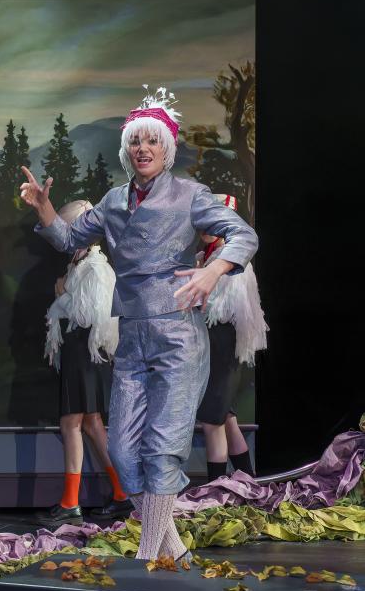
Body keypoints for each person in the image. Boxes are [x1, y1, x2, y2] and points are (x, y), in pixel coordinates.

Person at [20, 85, 258, 561]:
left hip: (178, 336)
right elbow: (68, 239)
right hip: (132, 336)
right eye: (135, 141)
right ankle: (175, 551)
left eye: (151, 141)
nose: (142, 148)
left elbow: (243, 235)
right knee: (125, 453)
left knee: (162, 447)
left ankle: (150, 555)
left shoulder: (190, 195)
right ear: (127, 150)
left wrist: (213, 270)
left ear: (166, 150)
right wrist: (45, 208)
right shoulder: (113, 201)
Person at [36, 200, 132, 527]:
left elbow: (93, 314)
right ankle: (122, 493)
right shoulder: (81, 265)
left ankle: (70, 503)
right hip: (81, 352)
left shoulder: (94, 267)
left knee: (72, 423)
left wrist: (62, 293)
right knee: (91, 424)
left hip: (85, 353)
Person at [195, 194, 268, 481]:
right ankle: (247, 479)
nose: (205, 227)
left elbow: (223, 309)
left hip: (222, 345)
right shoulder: (207, 257)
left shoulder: (231, 260)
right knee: (226, 417)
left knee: (212, 420)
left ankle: (215, 488)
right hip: (213, 344)